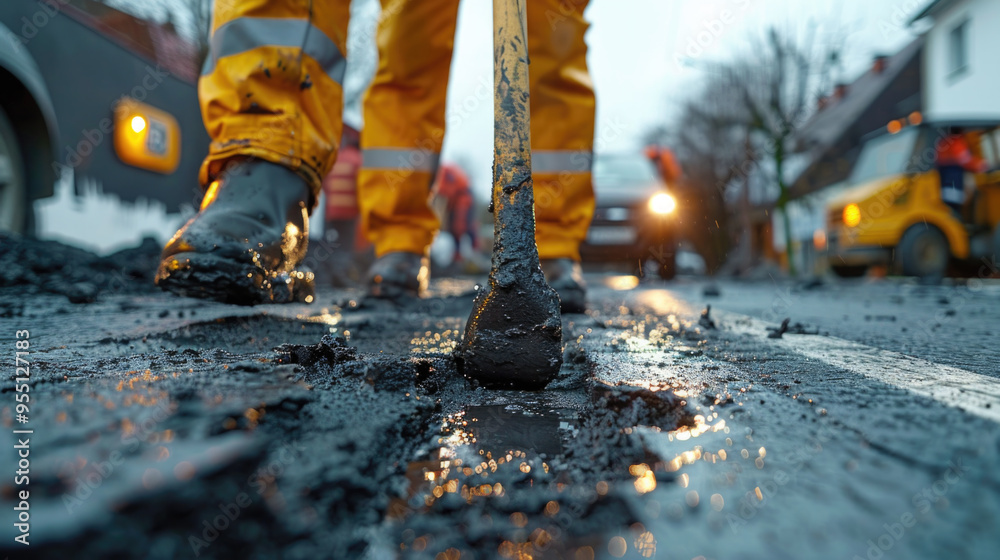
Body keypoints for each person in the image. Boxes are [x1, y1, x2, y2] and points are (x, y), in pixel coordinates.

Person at [156, 0, 595, 312]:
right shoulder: (459, 185)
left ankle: (548, 243)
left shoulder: (460, 188)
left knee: (551, 30)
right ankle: (270, 157)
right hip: (278, 134)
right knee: (409, 34)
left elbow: (462, 214)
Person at [935, 128, 986, 218]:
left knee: (950, 210)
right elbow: (965, 161)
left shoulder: (943, 143)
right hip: (953, 185)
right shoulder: (956, 142)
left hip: (945, 186)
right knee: (955, 211)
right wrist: (982, 165)